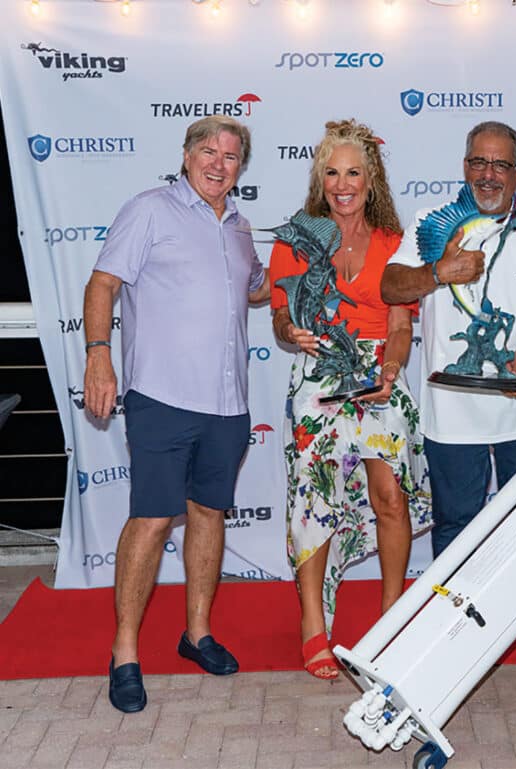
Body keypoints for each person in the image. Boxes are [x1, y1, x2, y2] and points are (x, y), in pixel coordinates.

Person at [83, 115, 270, 713]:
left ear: (242, 166)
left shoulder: (241, 229)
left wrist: (311, 268)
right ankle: (126, 652)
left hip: (228, 402)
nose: (219, 163)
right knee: (153, 520)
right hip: (161, 397)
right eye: (209, 151)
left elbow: (259, 288)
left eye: (232, 156)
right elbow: (102, 285)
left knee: (209, 514)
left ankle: (197, 634)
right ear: (187, 155)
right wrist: (98, 358)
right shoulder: (150, 210)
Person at [381, 121, 516, 668]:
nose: (487, 175)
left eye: (500, 165)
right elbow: (390, 286)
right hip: (452, 415)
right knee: (455, 526)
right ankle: (454, 627)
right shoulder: (431, 223)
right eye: (477, 163)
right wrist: (440, 271)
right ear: (464, 165)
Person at [268, 119, 431, 680]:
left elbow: (401, 321)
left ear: (371, 179)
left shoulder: (394, 241)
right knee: (312, 500)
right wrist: (289, 331)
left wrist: (391, 364)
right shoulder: (297, 237)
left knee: (390, 496)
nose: (343, 184)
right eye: (332, 172)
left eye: (353, 173)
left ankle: (391, 615)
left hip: (378, 373)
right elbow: (282, 314)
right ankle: (313, 625)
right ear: (320, 178)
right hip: (317, 376)